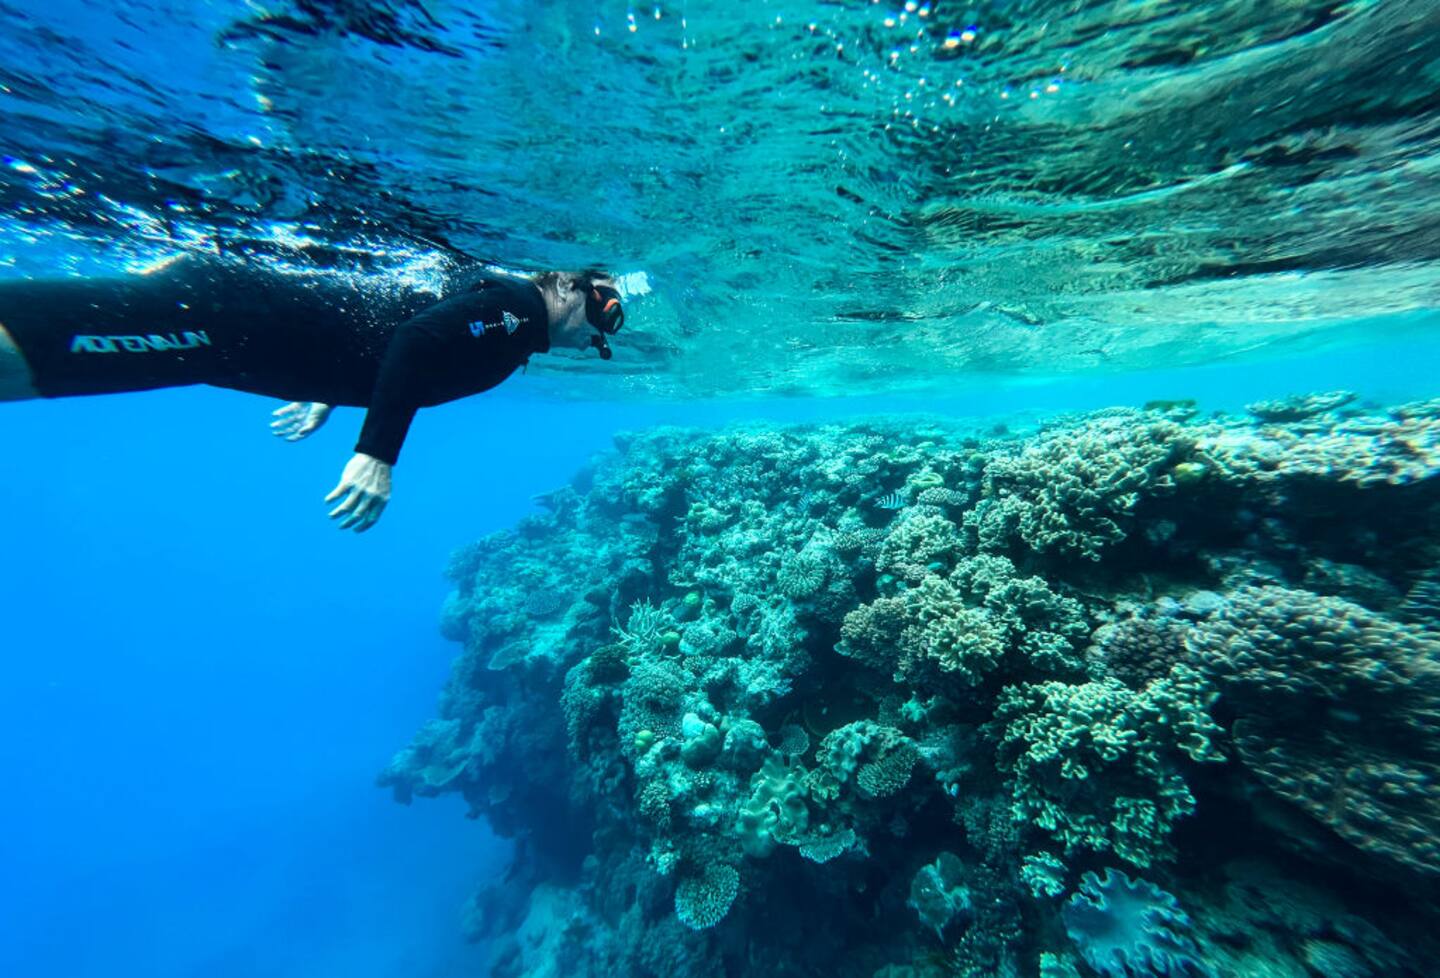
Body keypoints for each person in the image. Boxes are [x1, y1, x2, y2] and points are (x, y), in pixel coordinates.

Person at [0, 253, 625, 532]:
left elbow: (393, 322)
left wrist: (330, 387)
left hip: (231, 338)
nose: (603, 326)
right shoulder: (517, 309)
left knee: (45, 371)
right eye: (604, 303)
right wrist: (376, 454)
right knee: (36, 350)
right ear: (567, 285)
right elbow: (416, 340)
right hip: (228, 317)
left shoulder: (509, 322)